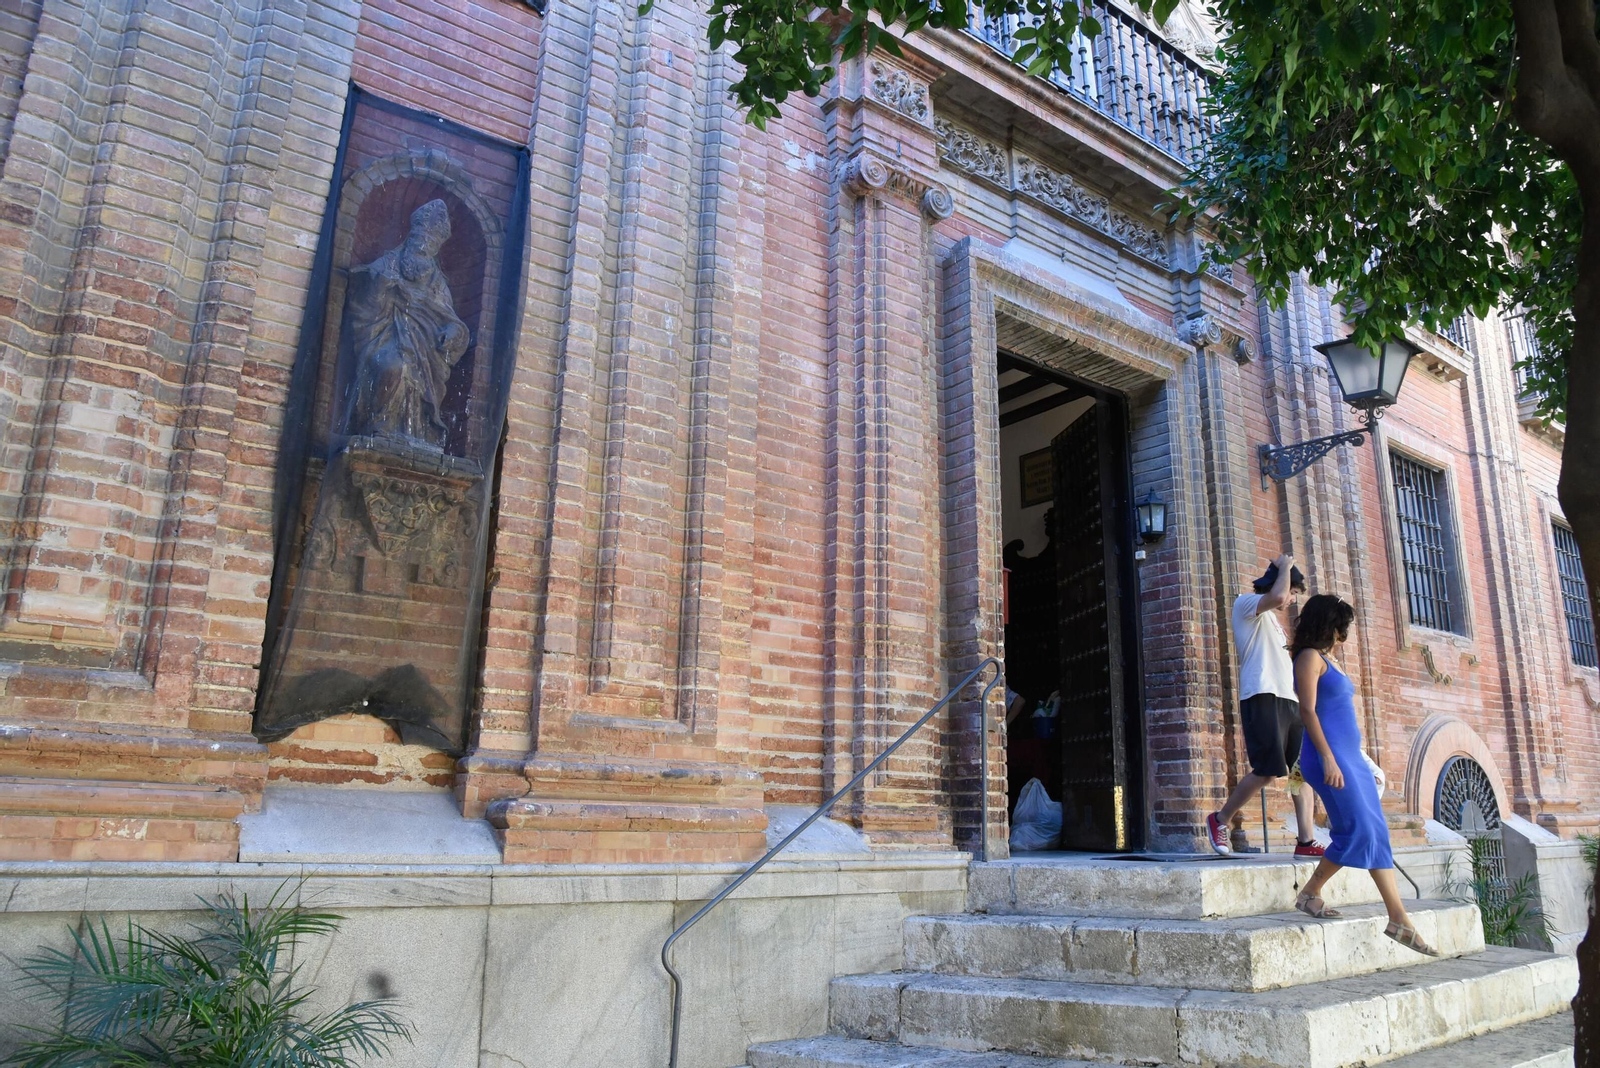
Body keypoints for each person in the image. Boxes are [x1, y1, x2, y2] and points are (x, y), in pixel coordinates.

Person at [1289, 594, 1439, 956]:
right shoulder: (1309, 658)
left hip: (1349, 759)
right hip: (1328, 758)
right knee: (1361, 831)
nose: (1345, 634)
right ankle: (1398, 918)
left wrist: (1359, 763)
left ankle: (1312, 893)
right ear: (1328, 625)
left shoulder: (1328, 660)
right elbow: (1308, 712)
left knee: (1371, 831)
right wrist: (1328, 759)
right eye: (1342, 627)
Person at [1205, 554, 1324, 857]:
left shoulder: (1274, 624)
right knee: (1268, 771)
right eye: (1294, 593)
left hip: (1289, 700)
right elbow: (1279, 595)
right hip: (1261, 695)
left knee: (1301, 772)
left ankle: (1306, 841)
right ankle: (1220, 820)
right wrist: (1285, 566)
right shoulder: (1246, 604)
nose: (1290, 600)